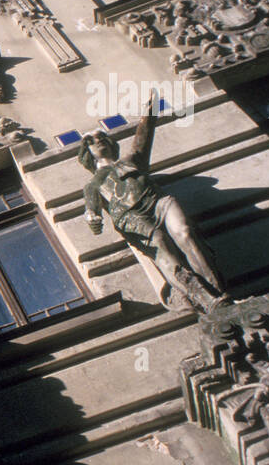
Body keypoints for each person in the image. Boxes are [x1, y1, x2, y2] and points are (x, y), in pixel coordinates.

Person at [79, 93, 230, 312]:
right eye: (90, 140)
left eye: (101, 135)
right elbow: (91, 210)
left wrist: (149, 112)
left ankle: (218, 289)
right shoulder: (93, 184)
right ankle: (204, 298)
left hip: (158, 202)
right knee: (161, 245)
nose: (97, 139)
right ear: (87, 151)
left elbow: (144, 135)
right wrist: (92, 217)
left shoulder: (132, 160)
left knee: (185, 232)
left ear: (111, 142)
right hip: (131, 218)